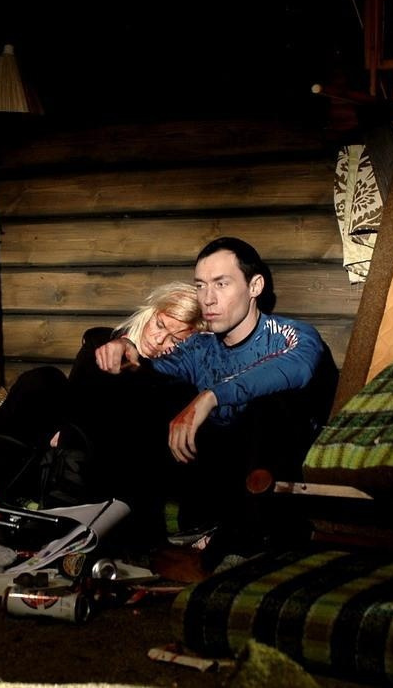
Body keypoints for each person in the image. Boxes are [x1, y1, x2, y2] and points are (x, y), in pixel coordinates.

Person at [96, 236, 339, 555]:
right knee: (136, 386)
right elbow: (151, 376)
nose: (208, 299)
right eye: (201, 286)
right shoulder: (198, 347)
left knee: (270, 404)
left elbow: (299, 368)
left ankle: (248, 539)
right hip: (214, 471)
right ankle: (119, 531)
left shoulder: (290, 334)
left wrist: (212, 396)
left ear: (255, 287)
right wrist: (126, 349)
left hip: (273, 470)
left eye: (221, 284)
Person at [0, 282, 206, 539]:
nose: (158, 339)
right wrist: (120, 344)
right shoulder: (103, 342)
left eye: (175, 340)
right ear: (150, 314)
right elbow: (80, 386)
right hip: (56, 452)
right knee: (43, 380)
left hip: (109, 472)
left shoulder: (182, 384)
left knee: (116, 394)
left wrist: (135, 363)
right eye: (159, 325)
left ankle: (56, 509)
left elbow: (143, 416)